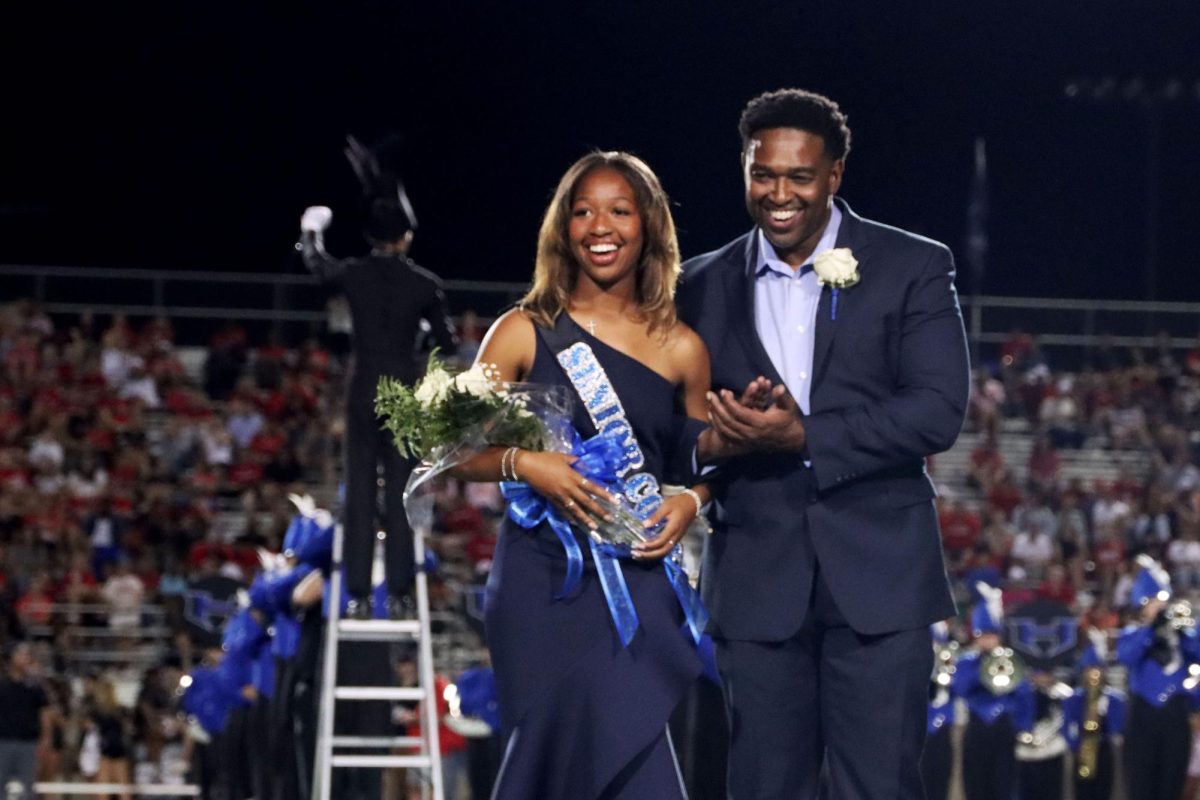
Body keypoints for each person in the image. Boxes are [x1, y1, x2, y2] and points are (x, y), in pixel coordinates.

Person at [676, 88, 970, 798]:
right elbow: (671, 429)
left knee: (880, 786)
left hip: (879, 583)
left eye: (799, 177)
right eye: (762, 174)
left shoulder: (912, 265)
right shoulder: (698, 283)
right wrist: (719, 439)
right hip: (755, 580)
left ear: (834, 175)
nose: (779, 194)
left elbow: (937, 410)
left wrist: (805, 433)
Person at [450, 151, 713, 798]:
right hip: (543, 580)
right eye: (583, 211)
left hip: (639, 575)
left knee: (633, 750)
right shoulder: (520, 330)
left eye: (620, 211)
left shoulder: (683, 348)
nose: (602, 226)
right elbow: (453, 450)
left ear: (648, 224)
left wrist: (692, 504)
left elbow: (707, 463)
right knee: (550, 750)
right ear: (562, 227)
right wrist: (526, 463)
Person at [298, 136, 458, 618]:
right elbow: (446, 345)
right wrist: (420, 337)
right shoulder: (426, 284)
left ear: (369, 236)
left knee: (362, 499)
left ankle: (359, 598)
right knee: (402, 496)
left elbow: (316, 265)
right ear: (405, 236)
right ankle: (405, 596)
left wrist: (310, 228)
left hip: (362, 390)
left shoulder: (355, 275)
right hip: (403, 395)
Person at [1116, 554, 1200, 800]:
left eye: (1163, 601)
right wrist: (1151, 629)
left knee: (1171, 783)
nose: (1161, 606)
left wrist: (1184, 632)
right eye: (1155, 601)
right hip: (1144, 715)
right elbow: (1127, 658)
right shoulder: (1134, 633)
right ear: (1143, 604)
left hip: (1176, 712)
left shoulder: (1181, 637)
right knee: (1141, 783)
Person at [0, 642, 50, 800]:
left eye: (27, 655)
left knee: (27, 786)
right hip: (3, 742)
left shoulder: (35, 686)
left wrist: (46, 738)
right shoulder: (2, 684)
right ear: (11, 658)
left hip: (28, 743)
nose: (25, 658)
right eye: (21, 655)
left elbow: (45, 713)